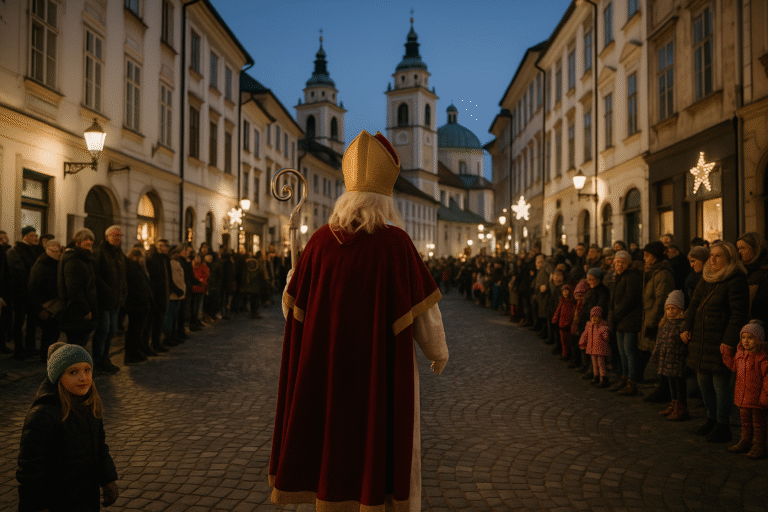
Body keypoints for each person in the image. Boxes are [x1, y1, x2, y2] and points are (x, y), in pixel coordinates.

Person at [269, 130, 449, 511]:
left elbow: (292, 310)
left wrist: (293, 278)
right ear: (386, 199)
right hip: (378, 374)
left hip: (327, 370)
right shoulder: (396, 244)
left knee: (331, 443)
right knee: (377, 441)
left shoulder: (318, 242)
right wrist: (438, 351)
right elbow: (424, 314)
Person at [16, 342, 119, 510]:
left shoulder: (89, 405)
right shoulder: (43, 415)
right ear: (58, 377)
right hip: (59, 501)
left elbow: (99, 447)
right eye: (73, 372)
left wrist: (108, 479)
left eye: (87, 370)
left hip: (88, 498)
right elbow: (30, 470)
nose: (83, 377)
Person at [681, 241, 749, 443]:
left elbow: (738, 315)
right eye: (711, 255)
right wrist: (686, 326)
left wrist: (728, 341)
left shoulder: (736, 280)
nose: (713, 259)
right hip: (702, 339)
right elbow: (694, 305)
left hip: (719, 340)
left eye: (718, 256)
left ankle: (723, 424)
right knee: (703, 382)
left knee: (720, 384)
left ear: (729, 259)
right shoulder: (707, 278)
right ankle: (710, 419)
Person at [721, 320, 768, 459]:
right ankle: (745, 441)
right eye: (743, 337)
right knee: (746, 422)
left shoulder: (762, 358)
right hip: (743, 397)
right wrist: (726, 355)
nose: (746, 341)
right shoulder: (741, 355)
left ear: (758, 340)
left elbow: (767, 378)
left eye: (750, 338)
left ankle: (759, 446)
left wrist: (765, 397)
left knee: (758, 424)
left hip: (757, 398)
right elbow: (734, 367)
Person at [639, 241, 675, 400]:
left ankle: (664, 389)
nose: (644, 258)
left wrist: (652, 322)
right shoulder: (652, 271)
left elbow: (661, 300)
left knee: (661, 356)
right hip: (650, 318)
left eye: (647, 255)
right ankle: (662, 387)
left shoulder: (662, 274)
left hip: (659, 321)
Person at [92, 226, 127, 373]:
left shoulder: (119, 253)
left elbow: (122, 276)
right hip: (104, 300)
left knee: (112, 330)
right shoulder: (100, 253)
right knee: (103, 330)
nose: (118, 238)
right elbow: (97, 276)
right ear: (107, 237)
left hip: (115, 300)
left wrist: (123, 292)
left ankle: (106, 358)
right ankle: (98, 360)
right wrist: (106, 290)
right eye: (115, 235)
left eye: (119, 235)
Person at [609, 250, 644, 394]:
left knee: (629, 352)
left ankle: (632, 382)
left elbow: (630, 298)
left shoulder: (632, 277)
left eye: (623, 262)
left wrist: (617, 312)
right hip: (619, 320)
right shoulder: (618, 277)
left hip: (629, 319)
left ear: (628, 263)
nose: (620, 265)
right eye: (617, 262)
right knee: (622, 352)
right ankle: (624, 378)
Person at [6, 225, 43, 359]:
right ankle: (19, 348)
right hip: (20, 292)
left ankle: (30, 347)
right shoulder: (15, 250)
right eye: (31, 235)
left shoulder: (34, 250)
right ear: (24, 236)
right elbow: (18, 272)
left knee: (32, 321)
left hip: (32, 292)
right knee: (19, 320)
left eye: (36, 235)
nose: (34, 238)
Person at [58, 229, 99, 346]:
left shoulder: (85, 258)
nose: (89, 242)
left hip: (83, 308)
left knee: (80, 343)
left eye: (91, 239)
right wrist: (85, 309)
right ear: (77, 243)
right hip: (76, 310)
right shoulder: (73, 260)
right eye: (85, 240)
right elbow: (73, 288)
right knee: (76, 344)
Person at [655, 290, 689, 421]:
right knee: (671, 384)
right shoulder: (666, 324)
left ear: (680, 309)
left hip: (678, 360)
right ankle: (673, 403)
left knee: (679, 384)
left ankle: (681, 407)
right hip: (667, 360)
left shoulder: (682, 324)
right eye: (668, 309)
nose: (670, 311)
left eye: (673, 308)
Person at [28, 239, 63, 361]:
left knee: (53, 332)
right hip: (45, 305)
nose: (57, 253)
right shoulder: (41, 265)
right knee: (49, 333)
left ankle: (49, 356)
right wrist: (39, 308)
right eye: (54, 250)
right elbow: (33, 288)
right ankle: (46, 356)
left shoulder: (55, 264)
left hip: (54, 304)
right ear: (48, 250)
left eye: (58, 251)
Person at [124, 248, 155, 363]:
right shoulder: (132, 267)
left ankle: (136, 352)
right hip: (136, 304)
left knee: (138, 330)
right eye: (141, 257)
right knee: (134, 330)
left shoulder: (139, 268)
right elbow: (135, 286)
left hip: (142, 303)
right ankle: (131, 354)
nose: (143, 259)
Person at [736, 232, 768, 324]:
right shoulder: (746, 270)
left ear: (755, 249)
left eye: (742, 248)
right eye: (738, 249)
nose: (739, 252)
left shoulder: (761, 273)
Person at [579, 306, 611, 387]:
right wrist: (582, 342)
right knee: (594, 364)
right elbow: (585, 335)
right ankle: (596, 376)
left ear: (600, 317)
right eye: (592, 317)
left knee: (601, 364)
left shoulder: (603, 327)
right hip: (592, 349)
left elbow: (606, 338)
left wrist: (604, 333)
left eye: (596, 317)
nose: (594, 319)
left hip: (600, 350)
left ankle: (603, 377)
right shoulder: (589, 326)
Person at [242, 251, 268, 319]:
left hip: (249, 282)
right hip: (256, 283)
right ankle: (254, 313)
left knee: (251, 298)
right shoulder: (258, 262)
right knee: (255, 299)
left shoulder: (249, 261)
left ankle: (252, 312)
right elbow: (261, 271)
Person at [552, 284, 575, 360]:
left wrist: (568, 323)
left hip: (567, 325)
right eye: (563, 291)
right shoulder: (562, 301)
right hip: (561, 323)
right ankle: (564, 353)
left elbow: (571, 314)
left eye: (566, 291)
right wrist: (555, 319)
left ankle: (566, 354)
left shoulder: (571, 303)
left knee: (567, 341)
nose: (565, 293)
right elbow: (558, 311)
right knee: (563, 341)